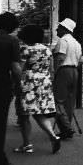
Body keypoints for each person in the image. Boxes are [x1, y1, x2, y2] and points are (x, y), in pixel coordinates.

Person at [13, 25, 61, 155]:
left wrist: (16, 84)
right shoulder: (46, 50)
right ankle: (53, 135)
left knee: (24, 115)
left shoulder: (25, 50)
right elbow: (51, 69)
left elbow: (19, 69)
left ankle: (27, 144)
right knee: (40, 113)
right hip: (44, 82)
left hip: (28, 83)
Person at [0, 12, 22, 165]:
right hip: (0, 88)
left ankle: (2, 161)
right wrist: (19, 85)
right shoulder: (11, 41)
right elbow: (16, 69)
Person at [53, 18, 82, 140]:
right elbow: (79, 61)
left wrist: (54, 73)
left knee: (57, 101)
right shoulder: (76, 43)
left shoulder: (63, 41)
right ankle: (67, 127)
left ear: (64, 29)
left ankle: (66, 128)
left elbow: (60, 58)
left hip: (64, 71)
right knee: (70, 102)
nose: (56, 29)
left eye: (59, 27)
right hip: (75, 71)